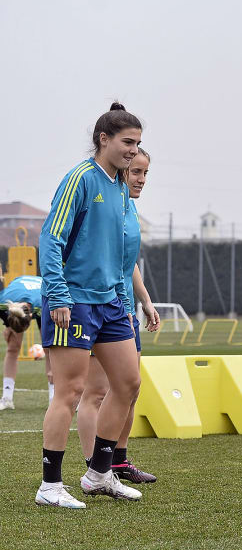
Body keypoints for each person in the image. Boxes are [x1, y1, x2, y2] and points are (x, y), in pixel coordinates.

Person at [36, 103, 145, 509]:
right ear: (104, 140)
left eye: (137, 144)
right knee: (71, 390)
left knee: (128, 384)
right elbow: (51, 239)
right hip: (73, 302)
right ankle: (49, 486)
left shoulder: (120, 186)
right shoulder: (80, 178)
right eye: (127, 142)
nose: (134, 151)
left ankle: (100, 475)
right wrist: (58, 296)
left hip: (111, 303)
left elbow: (119, 252)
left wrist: (124, 299)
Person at [75, 149, 161, 482]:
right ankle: (94, 466)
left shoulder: (128, 205)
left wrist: (146, 301)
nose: (140, 179)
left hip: (123, 309)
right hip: (99, 305)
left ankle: (118, 462)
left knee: (128, 388)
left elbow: (127, 262)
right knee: (95, 392)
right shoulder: (101, 199)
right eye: (135, 171)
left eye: (145, 173)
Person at [2, 275, 52, 410]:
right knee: (13, 347)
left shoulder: (43, 303)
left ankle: (54, 399)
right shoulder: (2, 302)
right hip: (18, 286)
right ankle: (6, 398)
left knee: (49, 349)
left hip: (44, 292)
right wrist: (7, 326)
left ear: (31, 316)